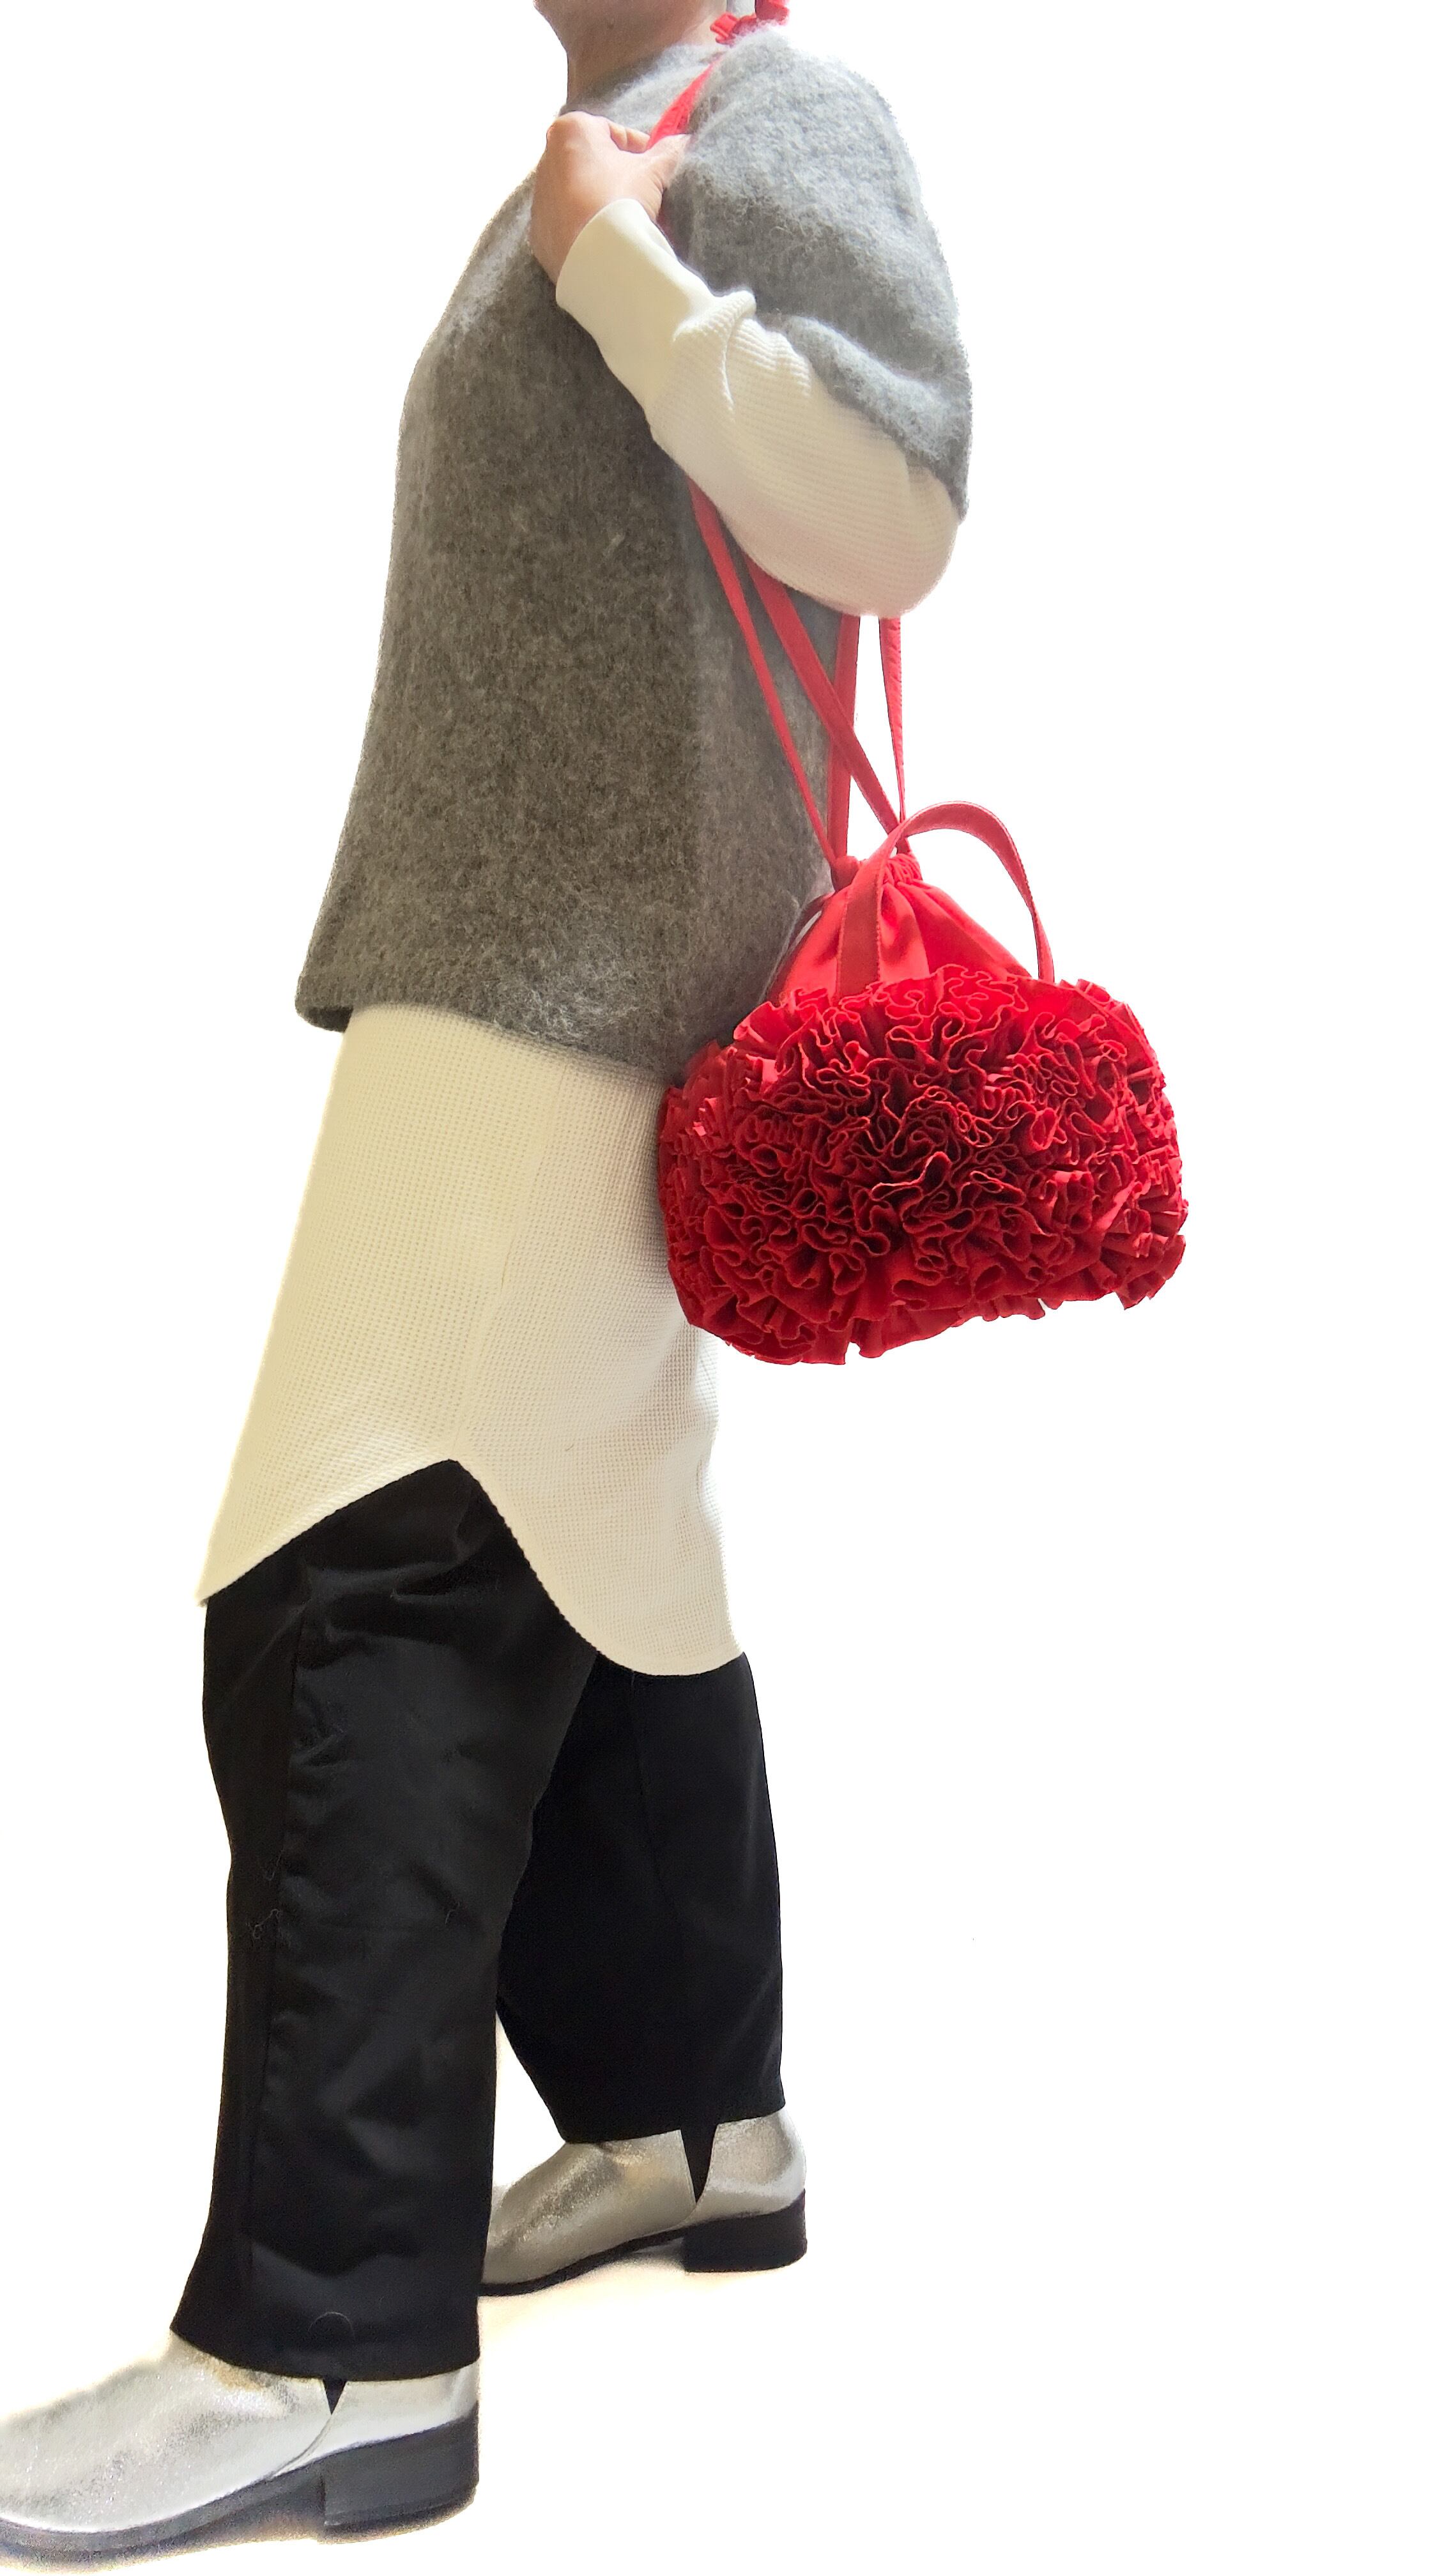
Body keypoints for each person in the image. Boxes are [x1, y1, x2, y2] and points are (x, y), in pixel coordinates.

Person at [0, 1, 972, 2552]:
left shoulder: (772, 114)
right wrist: (603, 236)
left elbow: (892, 510)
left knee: (348, 1571)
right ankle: (692, 2125)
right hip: (562, 959)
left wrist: (624, 274)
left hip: (562, 977)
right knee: (602, 1540)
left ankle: (327, 2339)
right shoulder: (635, 132)